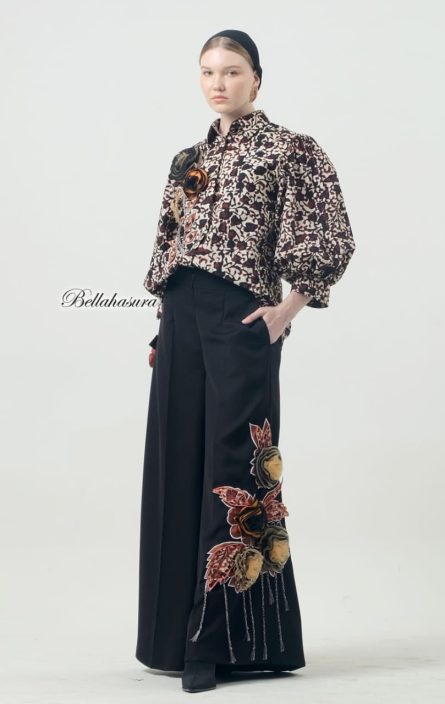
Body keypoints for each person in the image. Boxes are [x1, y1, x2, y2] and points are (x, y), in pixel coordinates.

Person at [136, 29, 356, 693]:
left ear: (256, 78)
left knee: (236, 463)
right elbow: (170, 244)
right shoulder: (186, 160)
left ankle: (219, 644)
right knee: (179, 461)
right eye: (208, 71)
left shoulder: (289, 149)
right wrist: (162, 331)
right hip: (180, 318)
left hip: (240, 318)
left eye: (232, 71)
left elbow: (329, 235)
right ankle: (173, 637)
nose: (218, 83)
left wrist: (289, 309)